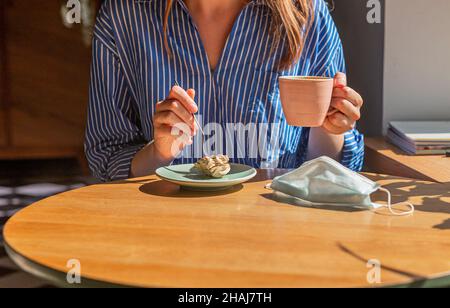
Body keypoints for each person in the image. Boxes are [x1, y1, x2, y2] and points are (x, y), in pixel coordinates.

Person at [85, 0, 364, 181]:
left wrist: (332, 128)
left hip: (279, 234)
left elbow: (327, 170)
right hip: (165, 234)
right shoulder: (123, 17)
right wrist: (159, 153)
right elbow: (106, 157)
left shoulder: (308, 15)